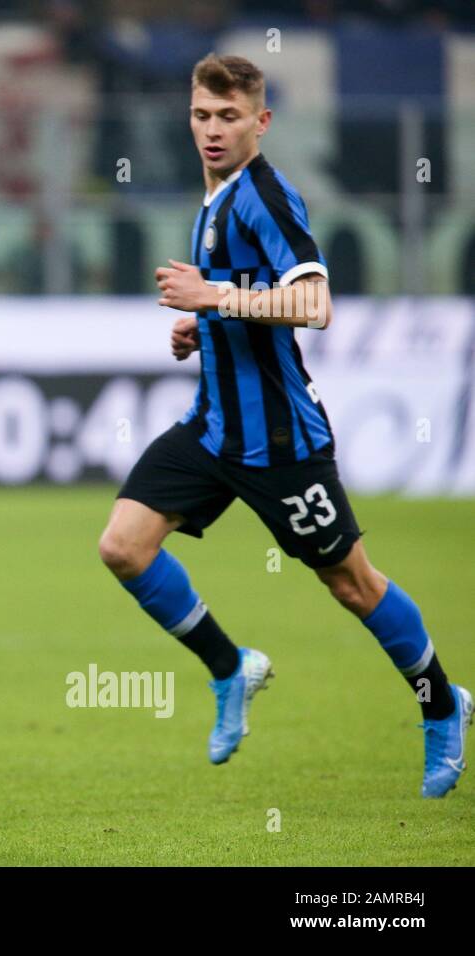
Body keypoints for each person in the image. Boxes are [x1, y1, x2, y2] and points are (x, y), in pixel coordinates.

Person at [98, 53, 470, 798]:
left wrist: (212, 298)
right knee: (123, 547)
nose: (212, 129)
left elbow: (314, 303)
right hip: (212, 430)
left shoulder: (264, 197)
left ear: (260, 122)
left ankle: (442, 705)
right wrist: (202, 328)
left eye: (229, 117)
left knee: (352, 584)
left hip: (279, 441)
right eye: (202, 115)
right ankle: (232, 668)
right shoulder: (214, 199)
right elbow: (248, 300)